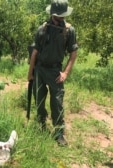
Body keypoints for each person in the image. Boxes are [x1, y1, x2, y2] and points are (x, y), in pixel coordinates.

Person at [28, 0, 78, 146]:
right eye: (58, 17)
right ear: (52, 15)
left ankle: (59, 133)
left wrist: (65, 73)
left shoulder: (69, 31)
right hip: (40, 69)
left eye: (63, 17)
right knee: (39, 99)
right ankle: (41, 123)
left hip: (56, 71)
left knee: (57, 102)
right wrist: (30, 72)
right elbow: (35, 52)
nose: (61, 19)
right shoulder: (42, 29)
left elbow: (73, 53)